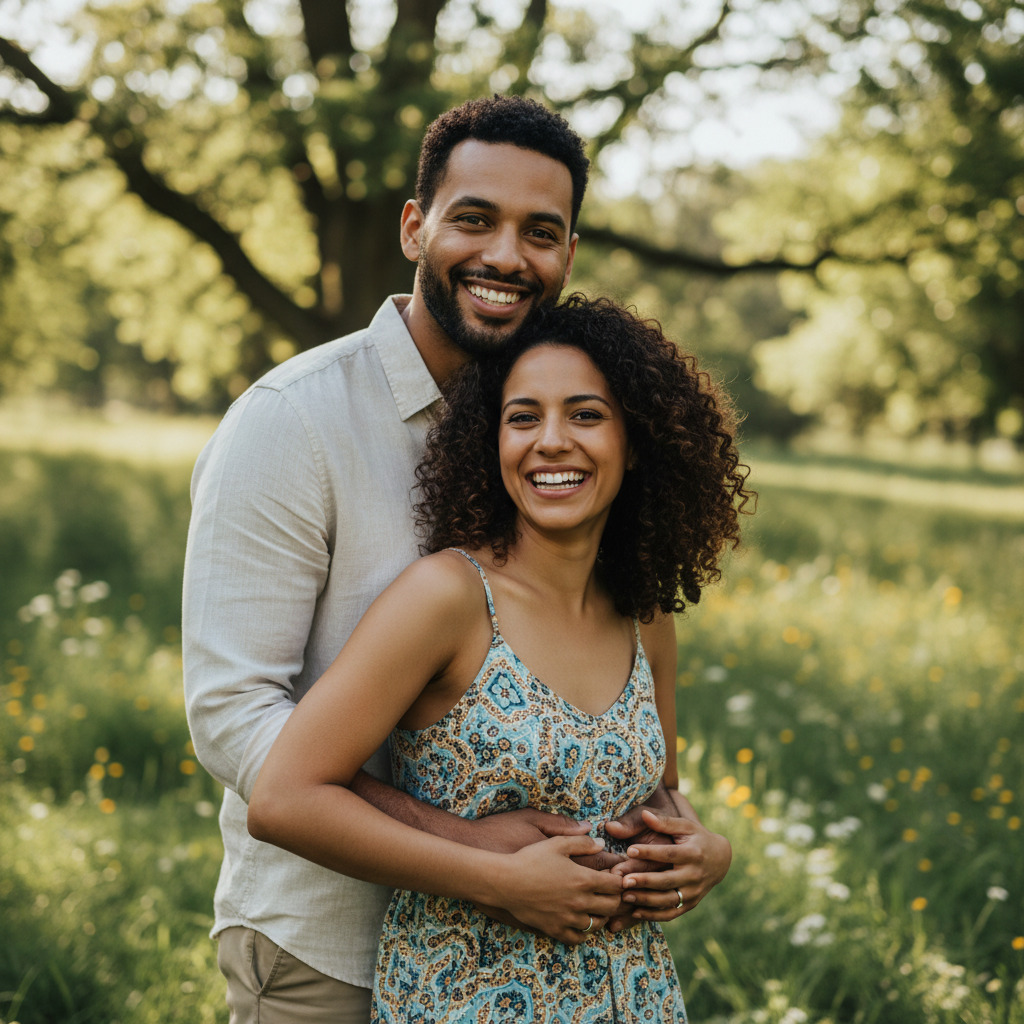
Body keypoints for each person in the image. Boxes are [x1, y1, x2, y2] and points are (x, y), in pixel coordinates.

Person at [183, 96, 731, 1024]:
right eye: (474, 218)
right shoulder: (293, 423)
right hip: (327, 945)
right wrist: (473, 854)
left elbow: (630, 768)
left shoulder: (537, 426)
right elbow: (234, 717)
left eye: (541, 232)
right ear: (414, 227)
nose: (507, 257)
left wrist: (695, 846)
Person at [247, 294, 753, 1022]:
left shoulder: (646, 614)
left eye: (585, 415)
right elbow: (285, 799)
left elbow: (658, 794)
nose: (551, 441)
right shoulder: (447, 598)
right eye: (524, 418)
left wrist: (706, 852)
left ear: (635, 441)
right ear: (494, 441)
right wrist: (495, 879)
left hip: (631, 995)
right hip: (467, 995)